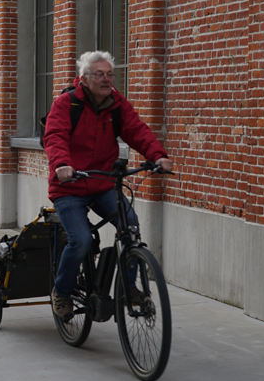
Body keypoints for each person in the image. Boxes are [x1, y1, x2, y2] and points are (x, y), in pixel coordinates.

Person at [43, 51, 173, 320]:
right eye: (99, 74)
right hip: (70, 185)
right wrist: (61, 165)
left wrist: (158, 156)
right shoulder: (67, 104)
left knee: (130, 225)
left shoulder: (116, 104)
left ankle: (127, 288)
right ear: (84, 79)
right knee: (79, 240)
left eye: (110, 74)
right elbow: (54, 136)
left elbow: (137, 130)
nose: (106, 79)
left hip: (102, 183)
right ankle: (62, 291)